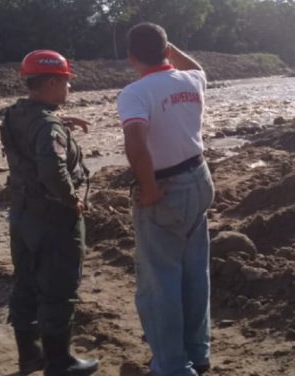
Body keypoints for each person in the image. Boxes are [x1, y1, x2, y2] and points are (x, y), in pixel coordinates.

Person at [116, 23, 215, 376]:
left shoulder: (135, 93)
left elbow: (135, 144)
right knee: (194, 273)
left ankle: (173, 366)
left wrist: (151, 190)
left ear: (131, 57)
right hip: (199, 178)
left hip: (166, 188)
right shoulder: (192, 81)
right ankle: (198, 354)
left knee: (160, 282)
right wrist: (171, 50)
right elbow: (198, 68)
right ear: (166, 50)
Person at [0, 50, 98, 376]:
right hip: (52, 218)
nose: (69, 87)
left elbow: (31, 134)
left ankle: (30, 356)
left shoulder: (18, 113)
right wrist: (71, 200)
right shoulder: (47, 126)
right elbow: (52, 169)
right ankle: (60, 363)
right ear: (53, 81)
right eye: (67, 81)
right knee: (59, 287)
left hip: (22, 214)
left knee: (25, 284)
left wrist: (59, 124)